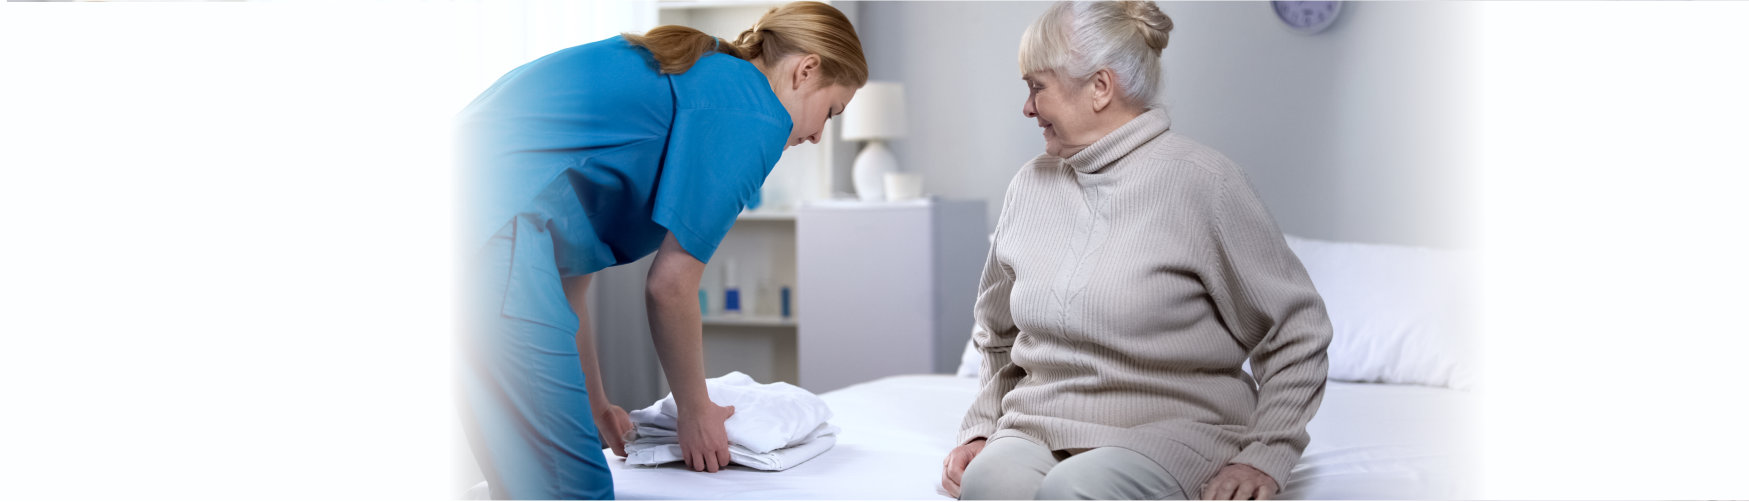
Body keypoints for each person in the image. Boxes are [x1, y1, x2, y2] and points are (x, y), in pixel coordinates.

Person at [455, 3, 866, 498]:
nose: (820, 135)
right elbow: (670, 286)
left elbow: (569, 273)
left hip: (469, 216)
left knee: (525, 478)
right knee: (573, 488)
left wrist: (595, 403)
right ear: (806, 69)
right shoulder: (754, 111)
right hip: (487, 223)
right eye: (831, 111)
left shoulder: (706, 71)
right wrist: (696, 411)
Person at [937, 1, 1333, 500]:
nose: (1027, 107)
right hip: (1037, 423)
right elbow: (997, 333)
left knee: (1073, 491)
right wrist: (980, 428)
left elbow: (1297, 331)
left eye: (1038, 87)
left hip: (1172, 428)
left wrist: (1266, 456)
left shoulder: (1204, 183)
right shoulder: (1029, 185)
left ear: (1100, 87)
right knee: (988, 484)